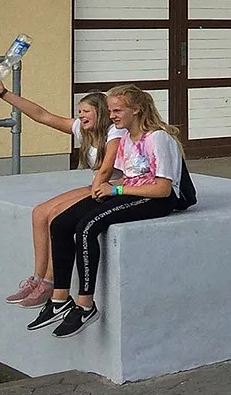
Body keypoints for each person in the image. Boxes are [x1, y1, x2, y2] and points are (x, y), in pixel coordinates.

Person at [30, 84, 193, 337]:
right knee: (61, 222)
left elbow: (162, 188)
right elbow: (125, 175)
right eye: (110, 111)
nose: (113, 116)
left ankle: (85, 305)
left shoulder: (158, 137)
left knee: (87, 227)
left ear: (136, 110)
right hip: (129, 190)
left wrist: (115, 191)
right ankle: (59, 299)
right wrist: (104, 188)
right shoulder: (126, 138)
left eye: (118, 110)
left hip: (157, 199)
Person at [0, 78, 120, 307]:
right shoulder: (82, 129)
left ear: (101, 113)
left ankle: (49, 281)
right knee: (39, 212)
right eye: (79, 111)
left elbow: (106, 169)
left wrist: (97, 190)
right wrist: (3, 93)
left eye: (86, 111)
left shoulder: (114, 132)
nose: (81, 115)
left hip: (110, 186)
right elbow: (42, 115)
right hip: (97, 184)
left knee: (56, 215)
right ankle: (37, 279)